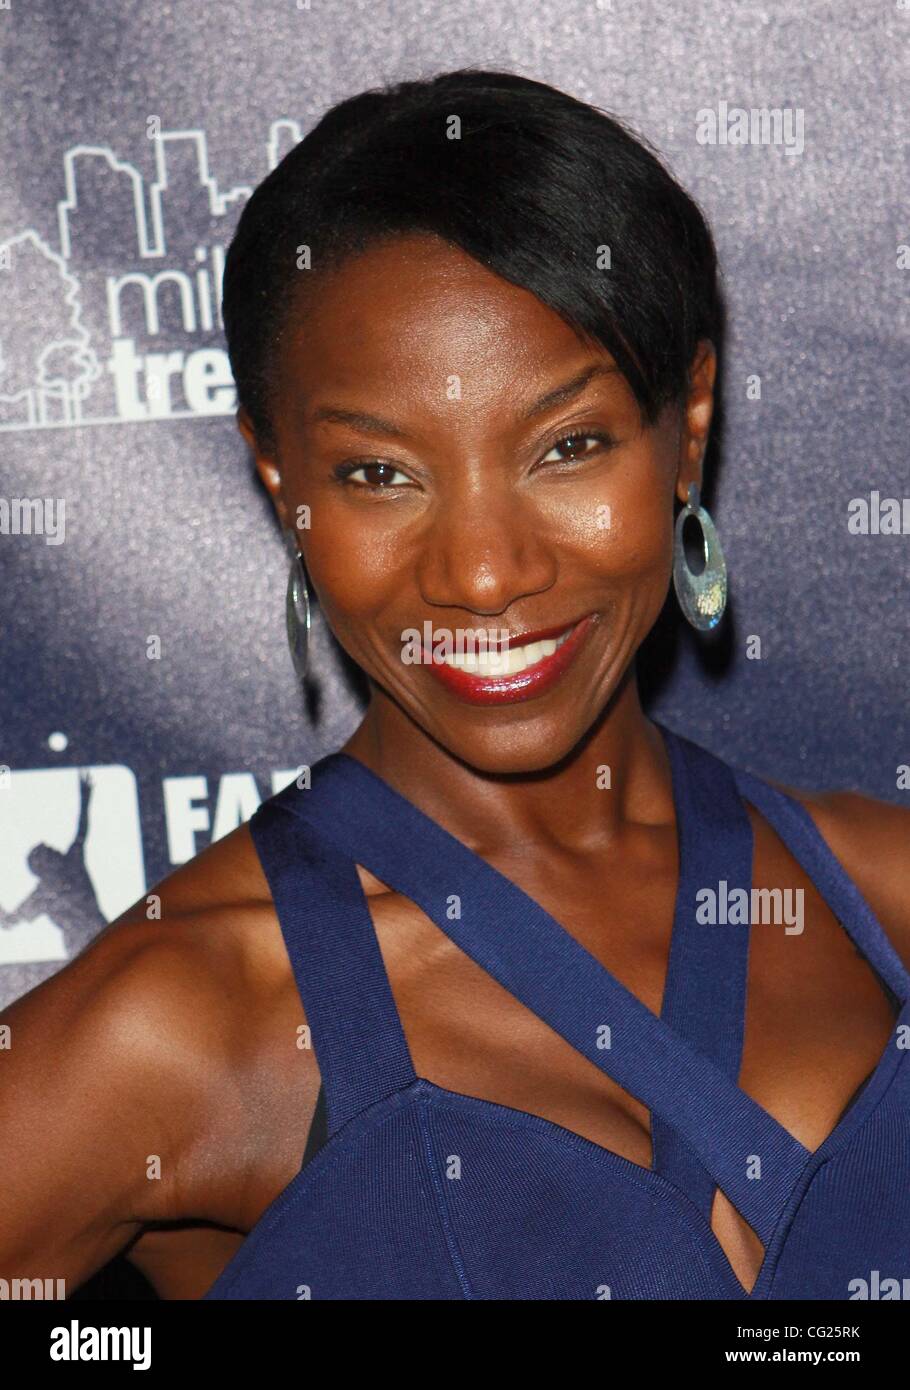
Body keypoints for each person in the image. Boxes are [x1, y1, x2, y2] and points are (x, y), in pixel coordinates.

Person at [1, 69, 908, 1302]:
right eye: (378, 474)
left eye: (568, 447)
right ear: (280, 480)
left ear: (687, 426)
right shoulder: (180, 1015)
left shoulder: (883, 892)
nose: (484, 573)